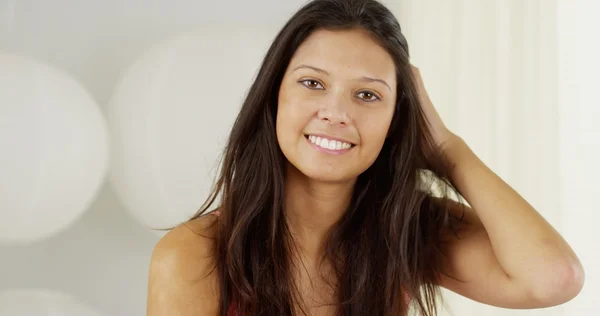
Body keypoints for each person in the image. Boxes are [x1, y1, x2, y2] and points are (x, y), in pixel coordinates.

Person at [146, 0, 584, 315]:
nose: (336, 113)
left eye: (368, 94)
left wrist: (448, 151)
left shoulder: (407, 233)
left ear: (398, 117)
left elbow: (553, 278)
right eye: (313, 84)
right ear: (273, 95)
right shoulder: (193, 255)